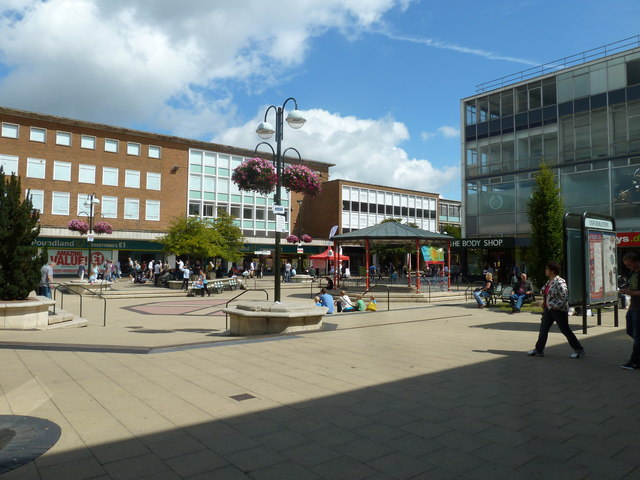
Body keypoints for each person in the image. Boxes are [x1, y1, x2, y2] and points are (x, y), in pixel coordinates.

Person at [527, 261, 585, 359]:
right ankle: (539, 350)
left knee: (565, 330)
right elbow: (546, 292)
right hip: (548, 310)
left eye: (547, 269)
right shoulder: (549, 281)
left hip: (558, 310)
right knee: (543, 329)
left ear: (552, 271)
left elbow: (564, 295)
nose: (545, 270)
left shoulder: (560, 281)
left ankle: (579, 349)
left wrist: (555, 306)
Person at [619, 252, 640, 370]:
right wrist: (627, 289)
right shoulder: (633, 273)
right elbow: (633, 287)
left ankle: (635, 361)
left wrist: (630, 292)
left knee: (637, 336)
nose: (628, 267)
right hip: (633, 307)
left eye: (629, 264)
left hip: (638, 308)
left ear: (636, 262)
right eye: (626, 265)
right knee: (630, 330)